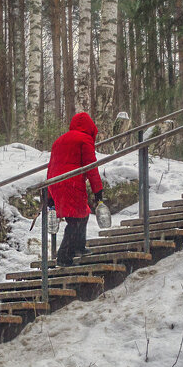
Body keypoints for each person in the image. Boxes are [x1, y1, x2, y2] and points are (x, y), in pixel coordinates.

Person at [46, 112, 104, 266]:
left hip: (56, 182)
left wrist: (49, 192)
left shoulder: (59, 140)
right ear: (90, 127)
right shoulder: (85, 139)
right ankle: (64, 256)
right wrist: (98, 191)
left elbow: (51, 165)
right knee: (76, 220)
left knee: (82, 214)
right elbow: (92, 167)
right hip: (71, 182)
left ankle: (79, 247)